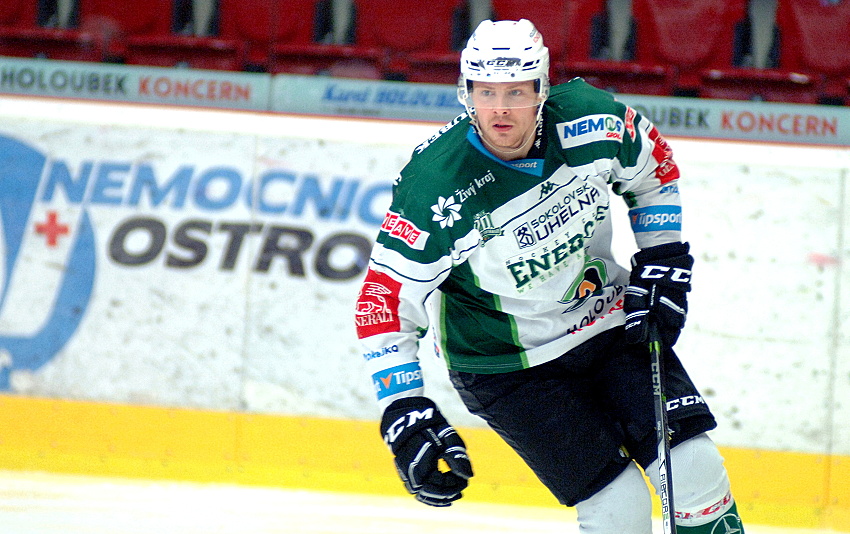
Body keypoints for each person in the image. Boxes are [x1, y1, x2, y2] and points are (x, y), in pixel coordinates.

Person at [354, 19, 746, 533]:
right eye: (486, 92)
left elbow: (654, 170)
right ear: (465, 93)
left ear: (541, 89)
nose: (499, 109)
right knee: (619, 509)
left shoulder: (591, 120)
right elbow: (383, 302)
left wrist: (664, 257)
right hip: (507, 366)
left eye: (515, 92)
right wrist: (404, 409)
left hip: (610, 325)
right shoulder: (435, 187)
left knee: (694, 471)